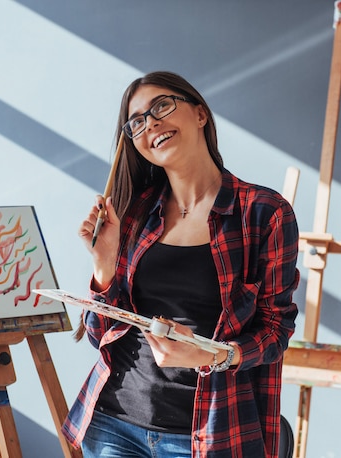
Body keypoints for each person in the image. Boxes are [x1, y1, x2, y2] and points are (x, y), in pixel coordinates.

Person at [61, 71, 300, 458]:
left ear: (200, 114)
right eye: (137, 121)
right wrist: (104, 267)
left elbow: (275, 332)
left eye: (161, 106)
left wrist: (211, 355)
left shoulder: (264, 213)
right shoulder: (135, 212)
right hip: (115, 425)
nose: (150, 123)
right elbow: (98, 335)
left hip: (209, 435)